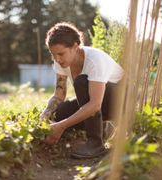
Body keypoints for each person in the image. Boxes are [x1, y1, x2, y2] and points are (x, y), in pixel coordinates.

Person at [40, 22, 124, 159]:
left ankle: (96, 143)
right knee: (58, 113)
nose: (57, 59)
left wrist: (61, 126)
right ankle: (102, 127)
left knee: (81, 82)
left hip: (121, 102)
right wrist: (45, 115)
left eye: (61, 54)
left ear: (75, 46)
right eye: (53, 54)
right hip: (98, 103)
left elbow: (95, 104)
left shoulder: (94, 60)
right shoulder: (61, 61)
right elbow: (59, 94)